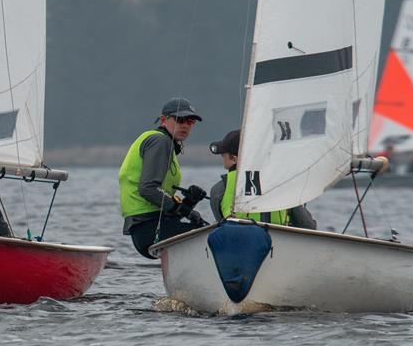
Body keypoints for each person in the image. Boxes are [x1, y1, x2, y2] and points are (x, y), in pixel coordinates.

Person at [119, 97, 209, 259]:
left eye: (190, 122)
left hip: (152, 226)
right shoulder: (160, 141)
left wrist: (188, 202)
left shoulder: (164, 142)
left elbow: (162, 203)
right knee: (218, 237)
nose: (185, 125)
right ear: (163, 120)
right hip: (148, 228)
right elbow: (148, 190)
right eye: (180, 119)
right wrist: (184, 211)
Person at [208, 129, 316, 229]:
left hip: (239, 242)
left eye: (223, 154)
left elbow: (221, 227)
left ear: (234, 159)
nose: (221, 157)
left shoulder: (218, 190)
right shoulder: (284, 184)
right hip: (279, 242)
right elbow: (308, 226)